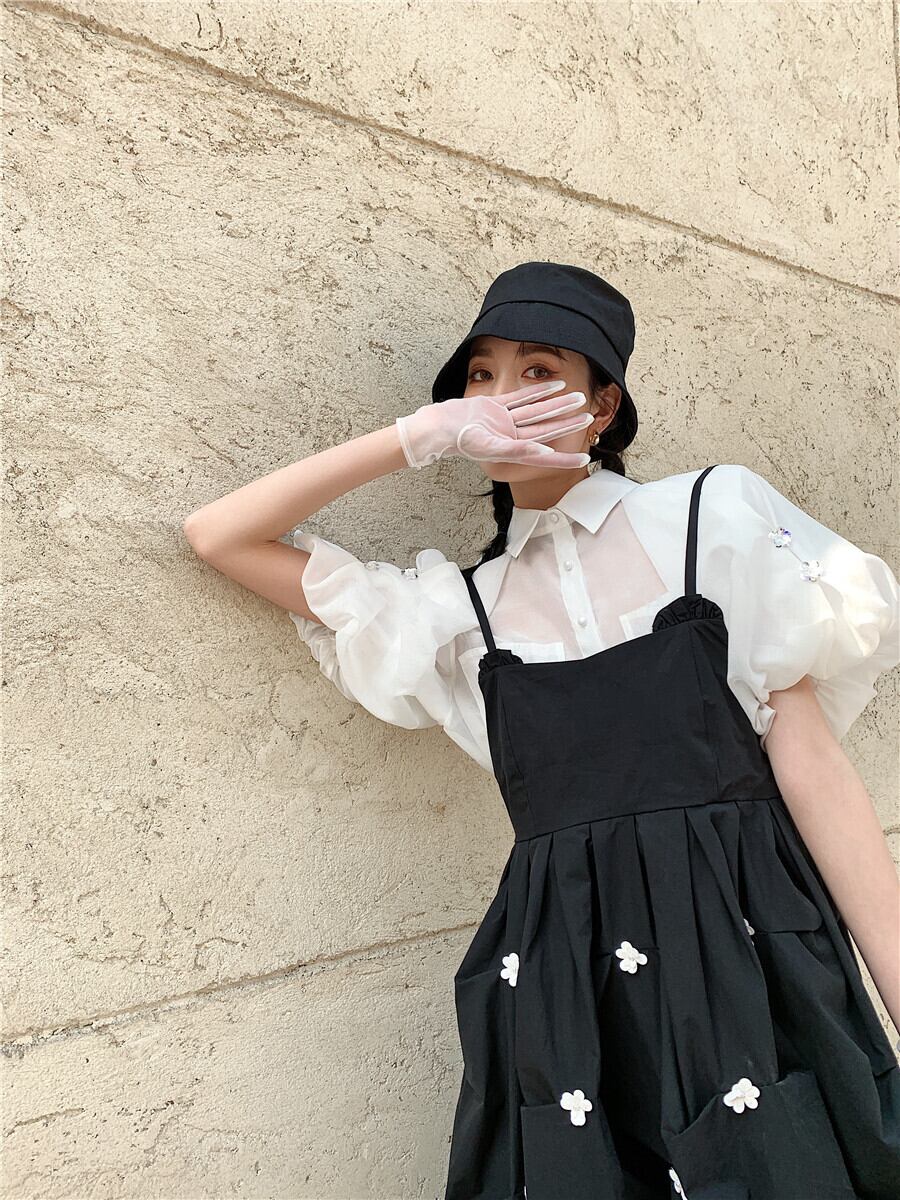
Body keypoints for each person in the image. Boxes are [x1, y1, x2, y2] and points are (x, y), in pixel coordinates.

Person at [183, 262, 900, 1199]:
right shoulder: (458, 614)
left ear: (603, 405)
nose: (501, 397)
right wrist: (418, 437)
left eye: (538, 371)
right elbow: (219, 536)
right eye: (480, 376)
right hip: (570, 986)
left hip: (749, 948)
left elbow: (813, 769)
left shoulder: (709, 515)